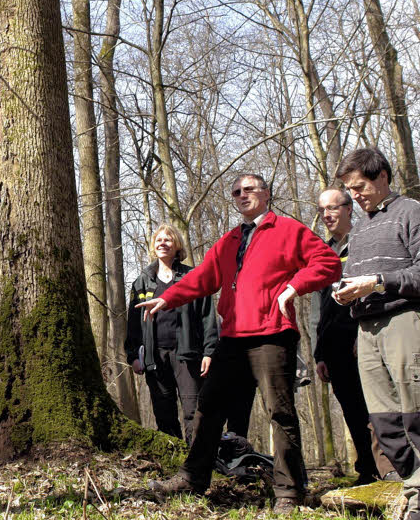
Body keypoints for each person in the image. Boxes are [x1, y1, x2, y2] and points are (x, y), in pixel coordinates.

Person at [139, 174, 341, 513]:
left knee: (280, 412)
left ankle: (289, 491)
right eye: (236, 192)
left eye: (249, 189)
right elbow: (204, 277)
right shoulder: (230, 239)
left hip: (273, 333)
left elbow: (328, 263)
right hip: (232, 337)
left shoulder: (288, 230)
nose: (242, 195)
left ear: (266, 193)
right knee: (208, 406)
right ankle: (193, 477)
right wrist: (168, 298)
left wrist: (294, 287)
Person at [334, 148, 420, 520]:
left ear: (382, 177)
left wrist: (378, 282)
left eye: (360, 186)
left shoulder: (415, 213)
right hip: (366, 330)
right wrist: (348, 291)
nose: (355, 195)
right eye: (350, 189)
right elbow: (360, 282)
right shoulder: (359, 228)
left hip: (408, 322)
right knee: (387, 425)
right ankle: (419, 498)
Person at [308, 187, 396, 485]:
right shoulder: (323, 252)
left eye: (333, 208)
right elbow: (318, 305)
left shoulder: (365, 242)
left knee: (377, 406)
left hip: (367, 335)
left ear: (349, 208)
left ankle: (391, 469)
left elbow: (375, 292)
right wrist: (319, 353)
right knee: (352, 408)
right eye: (322, 211)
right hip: (334, 344)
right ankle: (367, 470)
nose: (327, 215)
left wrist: (366, 334)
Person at [125, 223, 217, 442]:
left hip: (188, 355)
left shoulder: (192, 277)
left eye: (168, 240)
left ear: (177, 245)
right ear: (153, 246)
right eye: (158, 240)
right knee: (164, 412)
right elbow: (133, 324)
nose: (162, 244)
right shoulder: (142, 281)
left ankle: (197, 464)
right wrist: (133, 357)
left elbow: (208, 316)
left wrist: (209, 352)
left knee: (192, 412)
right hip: (155, 357)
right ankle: (175, 463)